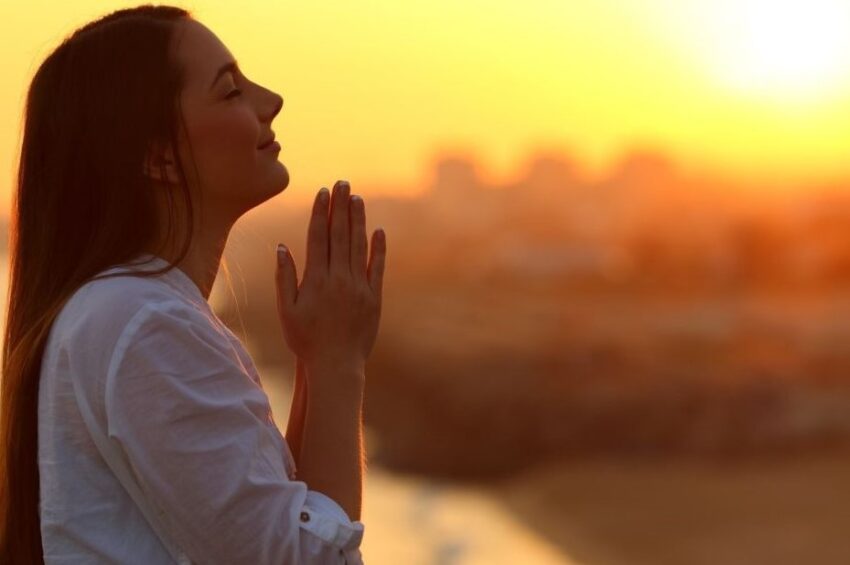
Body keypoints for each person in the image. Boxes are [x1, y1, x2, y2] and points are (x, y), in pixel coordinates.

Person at [0, 4, 385, 563]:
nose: (271, 100)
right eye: (230, 91)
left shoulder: (129, 312)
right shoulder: (143, 320)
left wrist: (316, 363)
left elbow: (285, 517)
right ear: (159, 157)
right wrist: (337, 363)